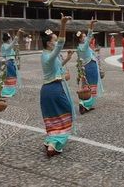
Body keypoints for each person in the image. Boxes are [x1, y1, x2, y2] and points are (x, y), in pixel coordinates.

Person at [39, 14, 75, 157]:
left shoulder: (46, 55)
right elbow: (61, 42)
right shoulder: (49, 55)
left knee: (54, 117)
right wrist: (63, 25)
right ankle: (53, 144)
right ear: (49, 43)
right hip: (54, 90)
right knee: (67, 114)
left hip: (47, 90)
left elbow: (57, 67)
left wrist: (67, 58)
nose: (56, 42)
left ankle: (50, 140)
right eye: (53, 40)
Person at [76, 20, 103, 114]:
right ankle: (85, 104)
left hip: (84, 68)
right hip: (91, 67)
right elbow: (89, 37)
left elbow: (79, 61)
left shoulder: (79, 48)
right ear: (80, 39)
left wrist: (80, 73)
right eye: (83, 37)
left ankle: (85, 104)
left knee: (87, 87)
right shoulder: (84, 46)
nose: (85, 38)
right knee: (92, 87)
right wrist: (91, 26)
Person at [0, 29, 24, 98]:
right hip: (8, 62)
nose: (10, 40)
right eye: (10, 39)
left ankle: (8, 91)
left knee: (7, 77)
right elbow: (14, 42)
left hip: (8, 62)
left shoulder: (4, 45)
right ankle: (7, 92)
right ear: (8, 39)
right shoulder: (6, 46)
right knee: (10, 77)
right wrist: (18, 33)